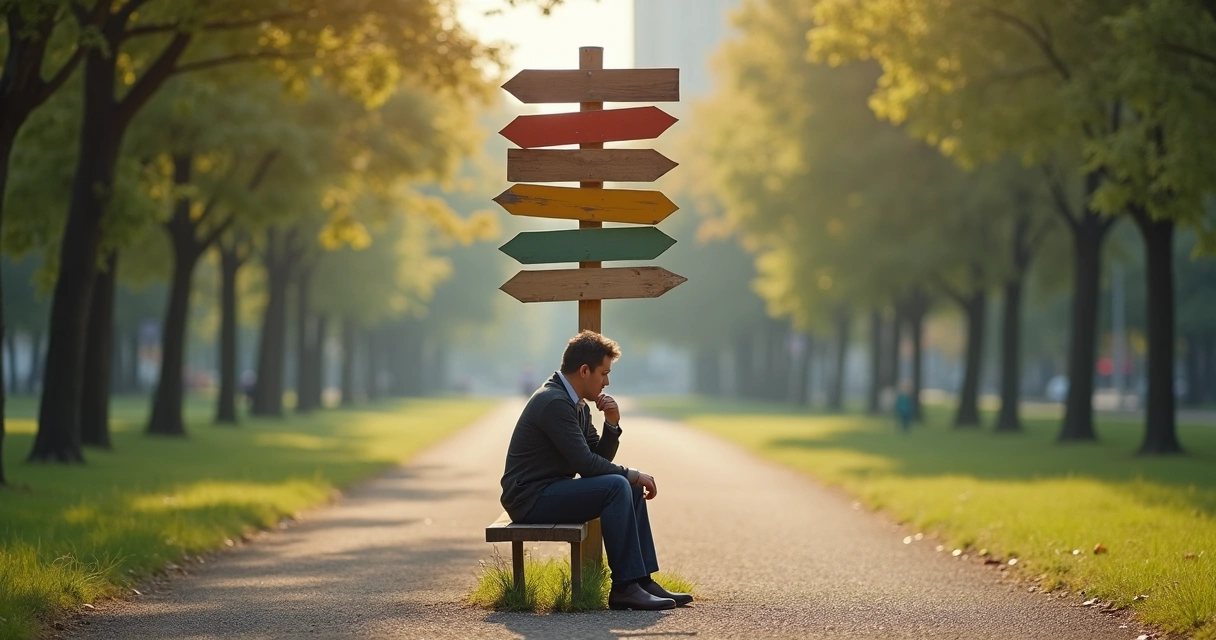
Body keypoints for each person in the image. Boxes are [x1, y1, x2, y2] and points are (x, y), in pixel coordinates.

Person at [499, 330, 691, 611]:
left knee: (626, 486)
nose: (607, 381)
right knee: (618, 485)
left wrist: (611, 425)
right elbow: (587, 466)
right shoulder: (554, 402)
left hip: (549, 491)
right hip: (530, 499)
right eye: (604, 373)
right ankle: (625, 588)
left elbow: (595, 461)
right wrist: (633, 473)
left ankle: (641, 580)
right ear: (585, 370)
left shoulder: (576, 405)